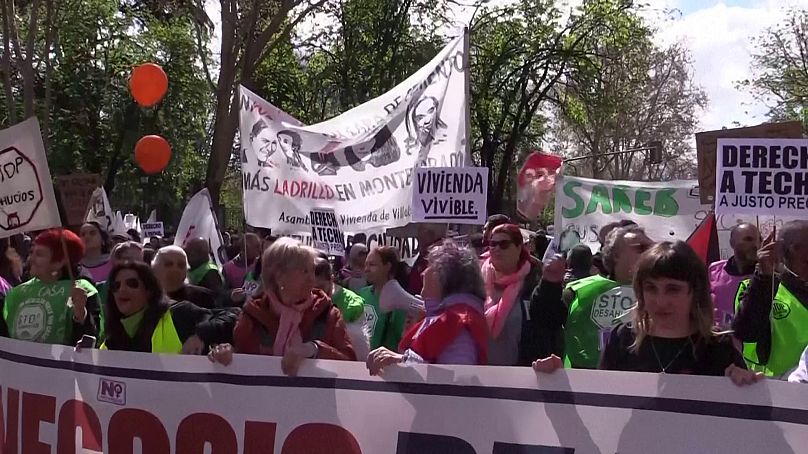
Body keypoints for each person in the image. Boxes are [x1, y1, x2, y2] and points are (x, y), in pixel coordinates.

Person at [534, 241, 762, 386]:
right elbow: (602, 404)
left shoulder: (718, 348)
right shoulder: (623, 339)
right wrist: (558, 381)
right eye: (651, 288)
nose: (660, 301)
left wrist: (745, 386)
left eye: (673, 289)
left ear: (694, 291)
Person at [209, 238, 355, 376]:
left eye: (313, 270)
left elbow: (350, 365)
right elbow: (242, 362)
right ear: (279, 276)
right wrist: (227, 355)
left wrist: (313, 349)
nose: (312, 279)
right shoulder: (253, 315)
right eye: (305, 271)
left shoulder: (328, 314)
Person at [367, 241, 489, 374]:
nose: (423, 273)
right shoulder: (447, 318)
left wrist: (402, 360)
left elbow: (458, 377)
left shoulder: (459, 322)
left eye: (429, 266)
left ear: (442, 274)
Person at [562, 224, 653, 368]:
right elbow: (545, 324)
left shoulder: (666, 294)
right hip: (584, 378)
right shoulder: (577, 291)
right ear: (616, 255)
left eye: (652, 247)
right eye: (641, 248)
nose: (650, 253)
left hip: (643, 378)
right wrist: (548, 285)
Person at [102, 261, 235, 354]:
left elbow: (232, 315)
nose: (122, 290)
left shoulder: (179, 313)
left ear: (149, 291)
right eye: (116, 286)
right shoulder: (112, 336)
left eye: (132, 283)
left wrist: (201, 334)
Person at [734, 221, 808, 378]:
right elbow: (746, 332)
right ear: (782, 250)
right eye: (801, 248)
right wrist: (763, 278)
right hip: (773, 386)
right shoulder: (759, 287)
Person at [2, 229, 99, 346]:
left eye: (39, 254)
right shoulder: (17, 293)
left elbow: (92, 342)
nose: (31, 259)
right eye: (32, 252)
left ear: (59, 262)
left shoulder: (82, 290)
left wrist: (81, 315)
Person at [483, 224, 556, 366]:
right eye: (493, 244)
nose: (497, 249)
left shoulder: (534, 281)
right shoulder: (475, 279)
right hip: (478, 371)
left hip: (521, 372)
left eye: (504, 244)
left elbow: (549, 327)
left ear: (518, 248)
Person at [313, 252, 369, 359]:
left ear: (331, 279)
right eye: (311, 288)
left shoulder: (352, 305)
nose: (316, 292)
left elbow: (360, 350)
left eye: (321, 287)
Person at [359, 246, 412, 351]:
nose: (366, 269)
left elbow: (404, 341)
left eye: (372, 265)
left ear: (387, 267)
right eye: (366, 265)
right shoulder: (362, 293)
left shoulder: (399, 300)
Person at [708, 223, 760, 329]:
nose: (755, 245)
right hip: (719, 336)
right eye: (748, 239)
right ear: (732, 243)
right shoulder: (715, 269)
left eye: (759, 240)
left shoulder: (765, 276)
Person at [407, 223, 445, 295]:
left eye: (420, 232)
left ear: (429, 233)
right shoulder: (425, 252)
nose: (418, 237)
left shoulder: (437, 254)